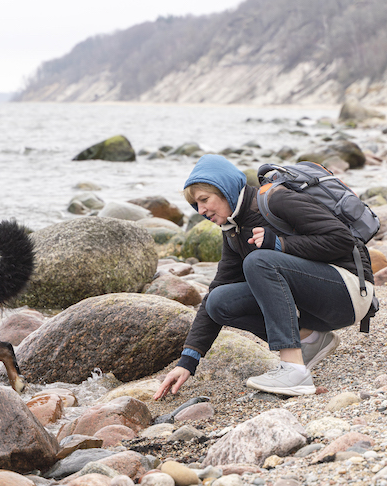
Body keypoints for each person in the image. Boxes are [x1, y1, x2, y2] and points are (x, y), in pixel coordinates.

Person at [154, 154, 375, 398]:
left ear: (225, 189)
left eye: (204, 200)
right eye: (196, 205)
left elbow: (342, 240)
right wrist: (187, 361)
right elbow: (216, 291)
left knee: (259, 261)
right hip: (317, 308)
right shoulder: (233, 230)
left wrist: (281, 245)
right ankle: (310, 340)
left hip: (349, 290)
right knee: (219, 301)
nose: (201, 210)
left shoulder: (275, 199)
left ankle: (293, 371)